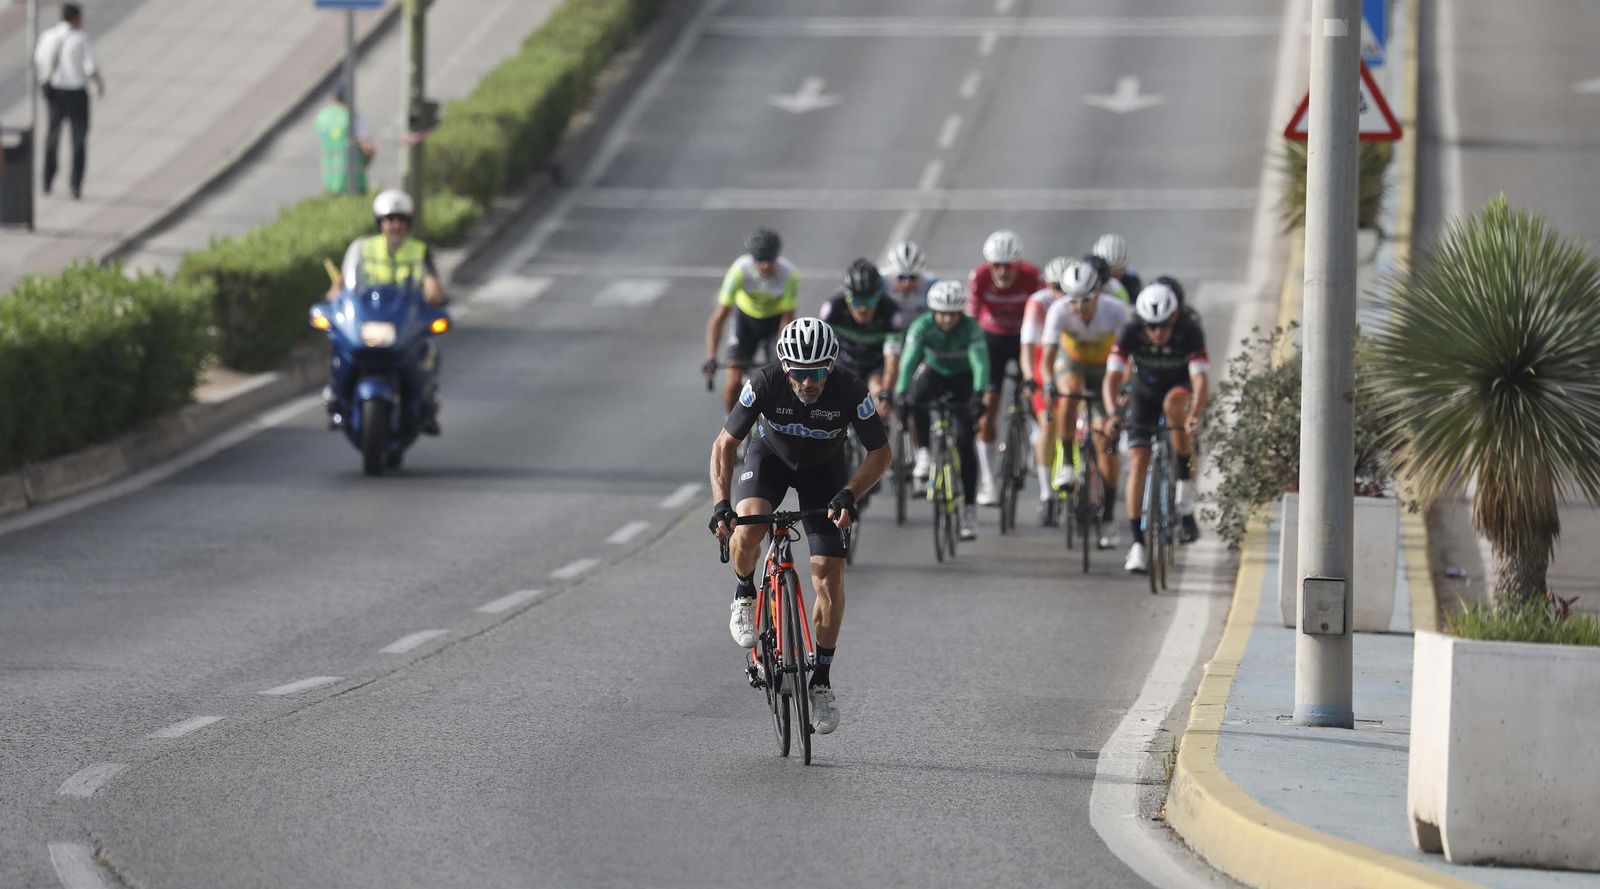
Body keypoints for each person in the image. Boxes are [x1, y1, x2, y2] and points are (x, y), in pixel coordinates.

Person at [709, 318, 890, 736]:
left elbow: (880, 453)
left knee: (827, 577)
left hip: (824, 473)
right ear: (784, 367)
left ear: (831, 365)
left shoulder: (851, 390)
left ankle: (821, 681)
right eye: (799, 372)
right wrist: (721, 504)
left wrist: (850, 492)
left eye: (817, 371)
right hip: (769, 459)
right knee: (748, 525)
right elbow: (724, 445)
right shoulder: (764, 383)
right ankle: (744, 592)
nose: (808, 382)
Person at [1103, 283, 1209, 573]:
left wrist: (1196, 412)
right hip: (1143, 393)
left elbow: (1200, 380)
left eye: (1163, 326)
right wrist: (1113, 412)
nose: (1158, 333)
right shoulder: (1129, 332)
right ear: (1142, 323)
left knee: (1174, 408)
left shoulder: (1190, 331)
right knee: (1137, 461)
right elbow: (1111, 378)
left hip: (1178, 388)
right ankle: (1137, 544)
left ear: (1174, 319)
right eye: (1152, 327)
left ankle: (1184, 495)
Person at [326, 189, 447, 433]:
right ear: (380, 223)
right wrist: (334, 295)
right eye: (389, 220)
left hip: (404, 317)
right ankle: (336, 399)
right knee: (339, 344)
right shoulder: (363, 248)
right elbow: (345, 280)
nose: (395, 226)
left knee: (427, 350)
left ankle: (427, 404)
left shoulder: (419, 250)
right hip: (370, 314)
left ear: (408, 223)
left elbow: (432, 281)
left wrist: (433, 292)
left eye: (401, 220)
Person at [1040, 261, 1133, 546]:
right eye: (1072, 301)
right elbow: (1046, 359)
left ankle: (1107, 518)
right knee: (1068, 392)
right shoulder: (1058, 311)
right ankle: (1067, 461)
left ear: (1097, 296)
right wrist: (1048, 384)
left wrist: (1122, 391)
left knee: (1105, 446)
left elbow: (1129, 359)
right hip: (1074, 365)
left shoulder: (1115, 311)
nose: (1078, 307)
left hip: (1107, 370)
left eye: (1084, 301)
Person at [896, 280, 991, 541]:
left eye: (953, 313)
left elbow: (980, 363)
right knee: (917, 395)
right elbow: (909, 360)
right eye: (942, 313)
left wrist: (980, 394)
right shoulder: (922, 326)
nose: (947, 319)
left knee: (964, 442)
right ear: (933, 311)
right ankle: (924, 451)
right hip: (934, 373)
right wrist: (902, 391)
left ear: (961, 312)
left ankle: (969, 510)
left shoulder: (971, 329)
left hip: (963, 378)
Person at [966, 230, 1042, 506]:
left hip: (1024, 338)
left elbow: (1042, 318)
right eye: (995, 264)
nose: (1001, 271)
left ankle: (1036, 437)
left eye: (1007, 266)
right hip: (993, 339)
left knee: (1033, 392)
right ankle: (988, 481)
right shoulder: (980, 277)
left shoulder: (1033, 277)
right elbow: (971, 320)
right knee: (987, 410)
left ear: (1017, 265)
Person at [704, 228, 799, 413]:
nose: (765, 266)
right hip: (745, 324)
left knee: (780, 383)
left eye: (769, 260)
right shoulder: (739, 271)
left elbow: (787, 320)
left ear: (776, 257)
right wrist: (711, 357)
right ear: (752, 258)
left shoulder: (790, 275)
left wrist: (785, 357)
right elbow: (720, 317)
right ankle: (731, 427)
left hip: (774, 325)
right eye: (759, 260)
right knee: (732, 384)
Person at [1018, 256, 1071, 525]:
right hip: (1045, 361)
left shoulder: (1078, 301)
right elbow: (1028, 347)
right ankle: (1046, 493)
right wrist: (1029, 377)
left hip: (1074, 361)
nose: (1059, 293)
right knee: (1049, 425)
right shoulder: (1038, 303)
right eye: (1054, 286)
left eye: (1064, 287)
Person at [34, 3, 104, 199]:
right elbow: (89, 66)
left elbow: (39, 60)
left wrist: (44, 83)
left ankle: (47, 179)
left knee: (53, 137)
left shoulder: (48, 37)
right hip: (76, 93)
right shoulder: (80, 38)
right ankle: (75, 184)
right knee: (78, 139)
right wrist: (99, 83)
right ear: (75, 18)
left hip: (55, 92)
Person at [819, 259, 901, 411]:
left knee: (878, 393)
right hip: (844, 362)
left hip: (875, 366)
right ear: (846, 298)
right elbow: (819, 350)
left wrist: (887, 393)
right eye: (856, 301)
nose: (863, 309)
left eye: (869, 301)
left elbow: (892, 359)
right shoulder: (833, 309)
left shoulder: (890, 312)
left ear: (878, 297)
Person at [316, 85, 376, 195]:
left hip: (330, 181)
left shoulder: (323, 117)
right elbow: (369, 148)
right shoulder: (352, 117)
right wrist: (364, 164)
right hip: (353, 182)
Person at [1092, 233, 1142, 299]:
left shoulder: (1132, 278)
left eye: (1116, 273)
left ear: (1125, 268)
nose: (1112, 280)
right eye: (1106, 273)